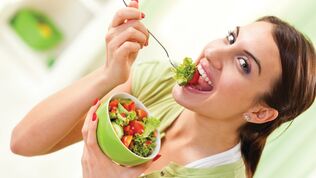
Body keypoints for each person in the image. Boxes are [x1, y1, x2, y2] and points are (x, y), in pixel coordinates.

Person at [10, 0, 316, 178]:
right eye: (231, 38)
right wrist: (108, 75)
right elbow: (23, 142)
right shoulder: (160, 82)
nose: (213, 53)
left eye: (244, 64)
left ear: (259, 111)